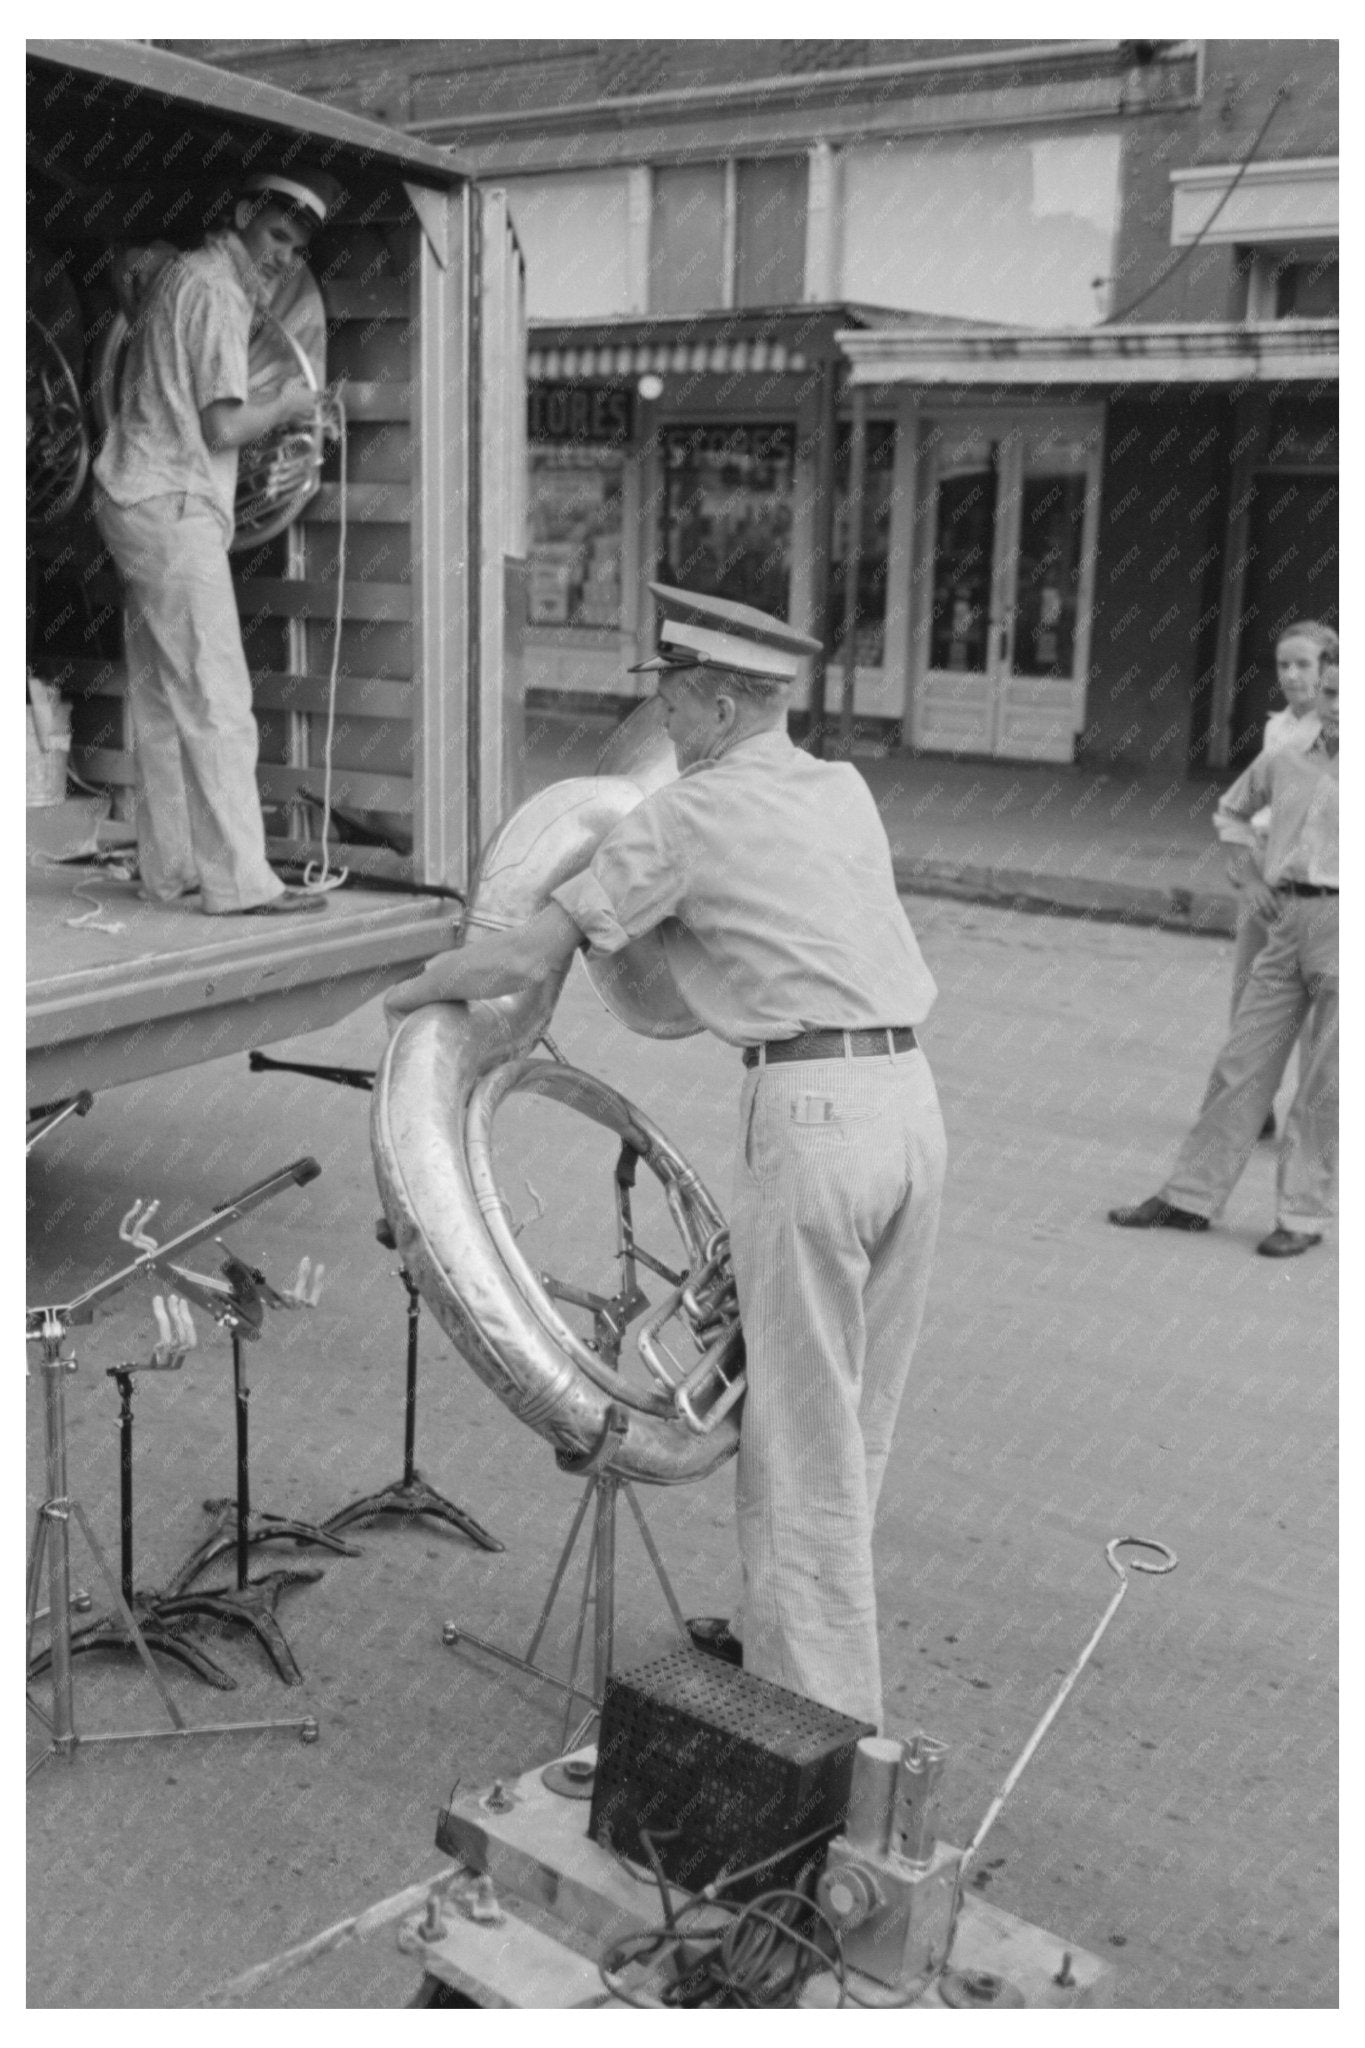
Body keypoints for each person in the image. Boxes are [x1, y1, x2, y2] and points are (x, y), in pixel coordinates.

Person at [385, 584, 948, 1731]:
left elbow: (518, 959)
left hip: (814, 1114)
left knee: (795, 1447)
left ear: (725, 704)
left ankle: (813, 1736)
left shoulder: (684, 818)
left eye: (678, 704)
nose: (665, 726)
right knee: (852, 1423)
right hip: (909, 1106)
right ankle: (790, 1645)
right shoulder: (842, 789)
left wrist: (413, 991)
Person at [91, 166, 341, 916]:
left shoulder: (185, 276)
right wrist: (289, 402)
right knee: (217, 697)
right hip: (172, 502)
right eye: (276, 236)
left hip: (133, 496)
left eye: (295, 249)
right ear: (240, 214)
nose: (283, 257)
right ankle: (239, 883)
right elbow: (223, 425)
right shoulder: (217, 290)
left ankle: (169, 870)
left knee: (164, 701)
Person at [1108, 660, 1339, 1258]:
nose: (1336, 705)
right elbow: (1232, 812)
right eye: (1330, 691)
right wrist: (1249, 878)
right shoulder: (1286, 759)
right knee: (1241, 1063)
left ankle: (1303, 1214)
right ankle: (1190, 1197)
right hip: (1287, 920)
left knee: (1328, 1082)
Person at [1203, 620, 1334, 1141]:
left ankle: (1313, 1117)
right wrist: (1247, 875)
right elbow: (1241, 807)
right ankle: (1248, 1108)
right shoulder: (1278, 729)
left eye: (1304, 665)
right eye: (1284, 665)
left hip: (1318, 884)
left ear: (1329, 670)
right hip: (1268, 867)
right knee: (1251, 992)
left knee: (1319, 1011)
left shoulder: (1334, 733)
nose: (1292, 675)